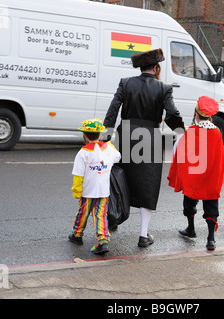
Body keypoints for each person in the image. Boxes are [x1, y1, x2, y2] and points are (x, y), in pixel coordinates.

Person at [103, 48, 186, 248]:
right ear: (156, 68)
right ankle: (143, 235)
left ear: (141, 68)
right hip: (151, 137)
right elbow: (171, 113)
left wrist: (106, 136)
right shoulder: (164, 88)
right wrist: (181, 131)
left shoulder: (126, 82)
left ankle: (111, 220)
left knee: (119, 177)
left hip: (126, 135)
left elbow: (114, 108)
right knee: (148, 185)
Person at [167, 96, 224, 251]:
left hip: (193, 176)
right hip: (210, 177)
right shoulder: (217, 133)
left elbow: (183, 156)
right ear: (210, 116)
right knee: (211, 205)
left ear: (197, 114)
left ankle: (191, 229)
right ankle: (211, 239)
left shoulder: (191, 131)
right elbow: (219, 159)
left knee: (189, 201)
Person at [69, 118, 121, 255]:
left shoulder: (83, 153)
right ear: (100, 135)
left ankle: (77, 235)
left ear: (84, 136)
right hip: (103, 191)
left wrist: (76, 190)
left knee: (83, 213)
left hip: (87, 191)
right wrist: (109, 144)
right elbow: (118, 157)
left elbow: (78, 175)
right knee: (101, 215)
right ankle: (103, 240)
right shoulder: (108, 149)